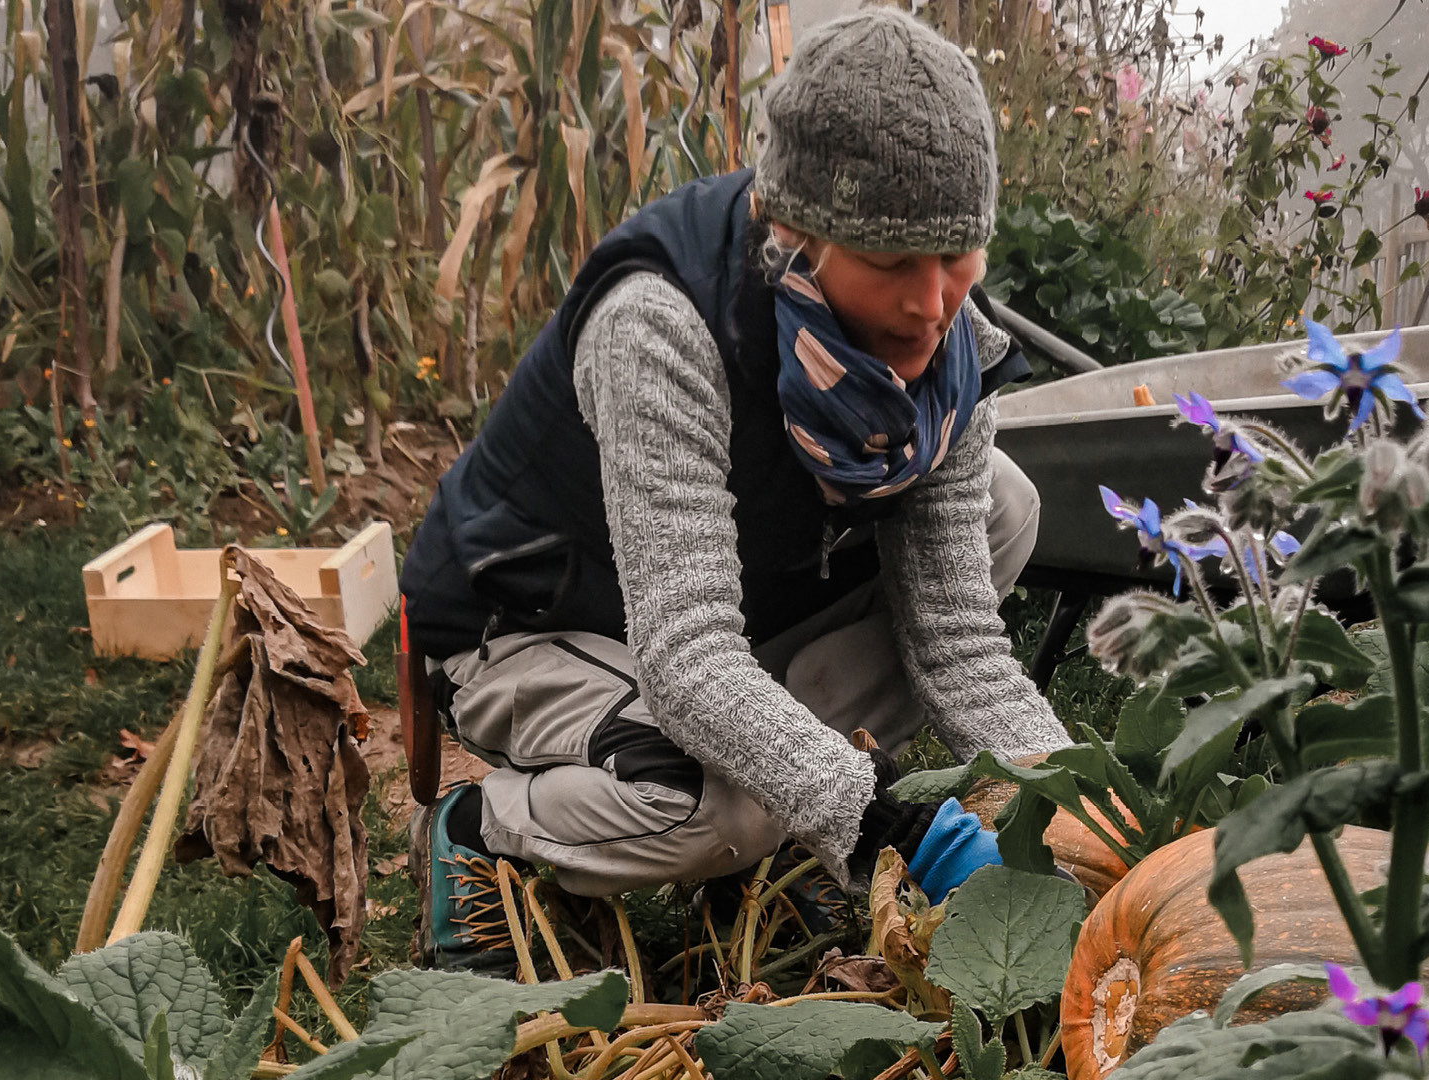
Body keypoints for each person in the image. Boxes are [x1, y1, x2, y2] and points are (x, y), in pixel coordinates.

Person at [398, 6, 1072, 971]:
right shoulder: (661, 327)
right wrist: (884, 825)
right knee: (714, 805)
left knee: (1001, 506)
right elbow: (686, 655)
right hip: (536, 619)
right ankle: (479, 827)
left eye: (956, 258)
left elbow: (957, 640)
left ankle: (778, 814)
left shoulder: (949, 356)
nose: (932, 307)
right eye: (892, 266)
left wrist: (1070, 811)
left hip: (714, 603)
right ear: (797, 231)